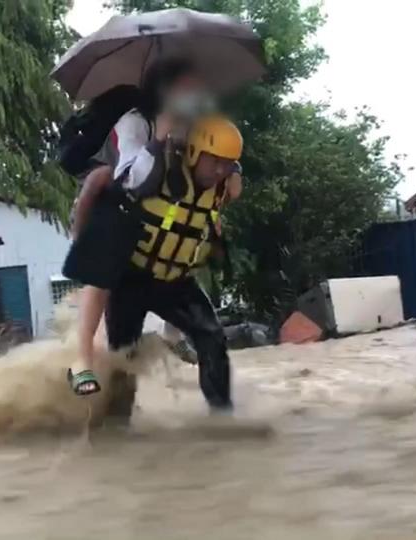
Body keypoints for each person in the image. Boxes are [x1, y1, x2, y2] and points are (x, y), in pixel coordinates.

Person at [65, 57, 223, 396]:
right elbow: (132, 179)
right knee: (120, 336)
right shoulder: (134, 122)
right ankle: (83, 360)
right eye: (185, 90)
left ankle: (176, 341)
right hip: (112, 206)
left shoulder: (193, 127)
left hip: (156, 234)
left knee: (192, 249)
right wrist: (160, 137)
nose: (193, 98)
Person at [100, 115, 245, 412]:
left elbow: (230, 180)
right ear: (193, 152)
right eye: (213, 161)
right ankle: (114, 429)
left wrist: (235, 169)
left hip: (176, 282)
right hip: (132, 277)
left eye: (226, 164)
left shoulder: (224, 184)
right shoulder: (160, 168)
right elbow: (132, 180)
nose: (218, 170)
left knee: (212, 337)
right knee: (122, 354)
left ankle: (222, 415)